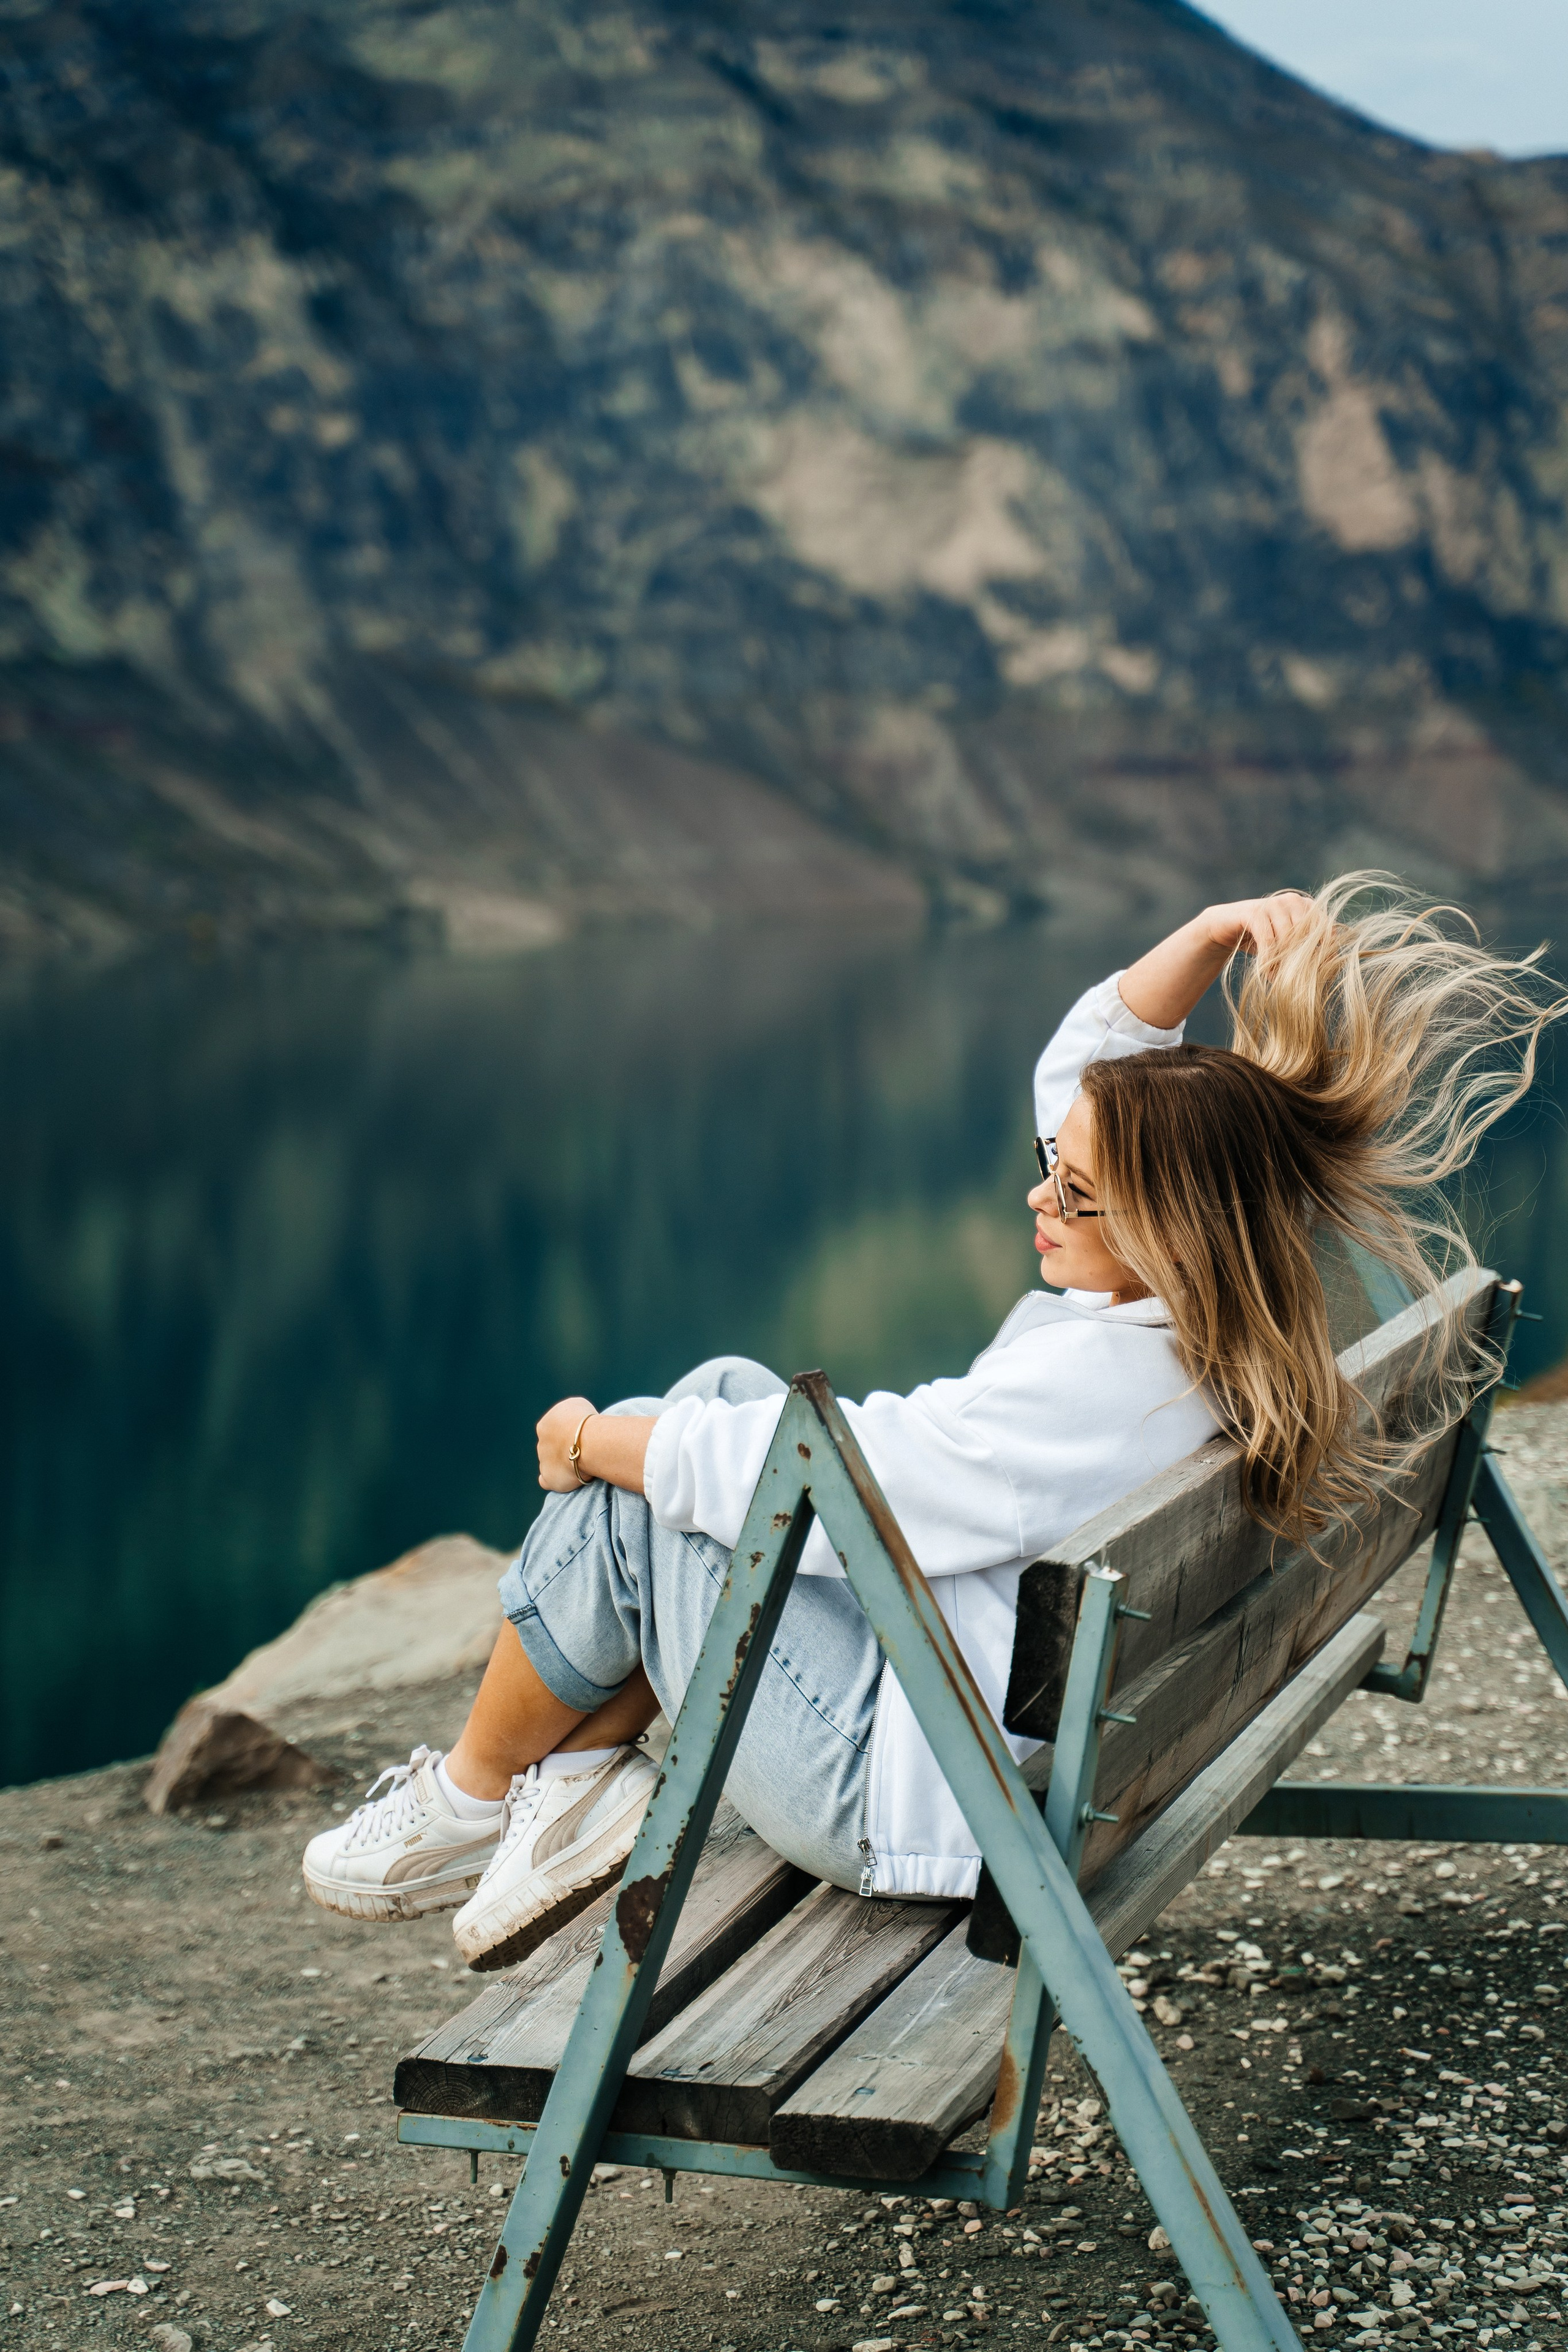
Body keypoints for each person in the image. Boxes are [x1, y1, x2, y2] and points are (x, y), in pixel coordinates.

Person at [301, 875, 1559, 1970]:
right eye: (1051, 1166)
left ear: (1165, 1223)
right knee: (725, 1391)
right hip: (1002, 1740)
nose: (1037, 1190)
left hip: (893, 1798)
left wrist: (583, 1444)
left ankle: (469, 1800)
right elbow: (1092, 1093)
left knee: (653, 1461)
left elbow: (834, 1478)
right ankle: (566, 1783)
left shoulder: (1089, 1391)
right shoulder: (1229, 1297)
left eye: (1072, 1192)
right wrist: (1204, 938)